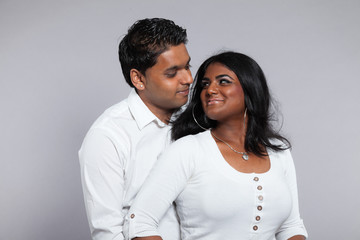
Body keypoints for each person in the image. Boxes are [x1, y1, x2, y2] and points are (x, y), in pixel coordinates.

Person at [123, 52, 308, 240]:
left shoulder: (278, 151)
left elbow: (291, 227)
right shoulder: (188, 150)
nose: (210, 90)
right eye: (205, 84)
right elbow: (140, 222)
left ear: (250, 87)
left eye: (223, 81)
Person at [79, 18, 193, 240]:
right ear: (138, 79)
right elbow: (108, 234)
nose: (188, 78)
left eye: (187, 66)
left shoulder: (196, 123)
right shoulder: (107, 136)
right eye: (172, 73)